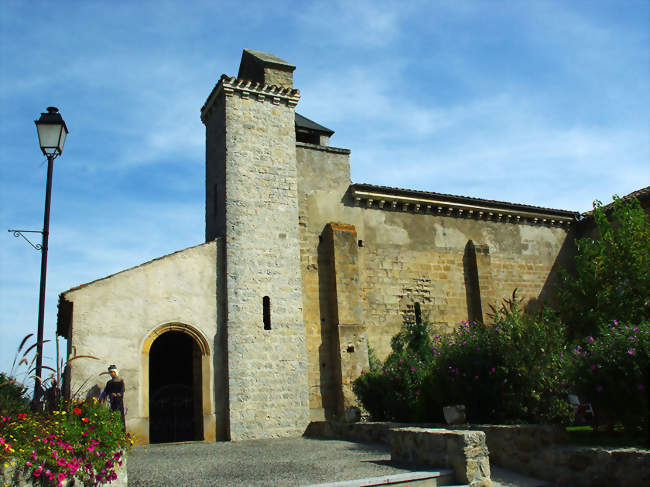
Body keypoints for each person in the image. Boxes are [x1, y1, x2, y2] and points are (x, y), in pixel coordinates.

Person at [101, 365, 126, 430]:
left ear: (115, 372)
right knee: (111, 416)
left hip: (118, 402)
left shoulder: (120, 381)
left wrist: (117, 395)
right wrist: (102, 397)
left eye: (113, 372)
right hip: (111, 401)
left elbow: (122, 391)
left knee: (119, 416)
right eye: (110, 372)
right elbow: (105, 391)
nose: (112, 374)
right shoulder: (109, 382)